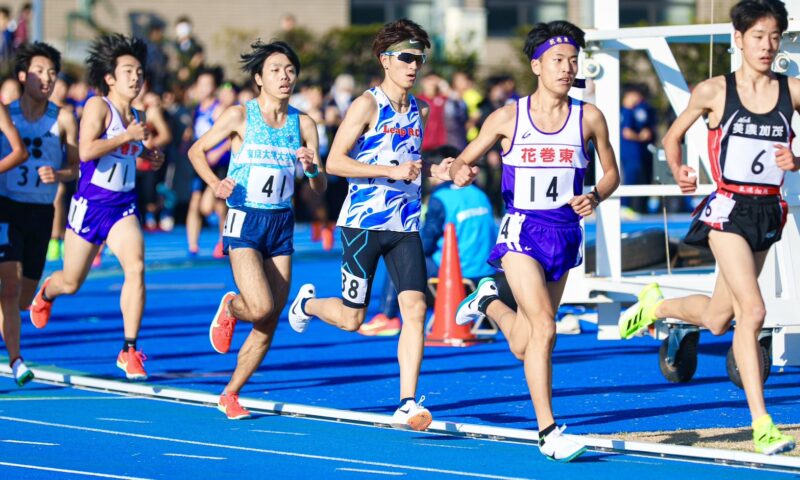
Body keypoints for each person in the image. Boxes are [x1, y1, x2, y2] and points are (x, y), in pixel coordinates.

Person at [618, 0, 797, 456]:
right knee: (752, 312)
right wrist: (679, 168)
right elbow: (671, 136)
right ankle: (762, 424)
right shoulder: (715, 90)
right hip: (728, 211)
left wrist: (796, 159)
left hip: (767, 212)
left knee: (720, 319)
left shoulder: (792, 90)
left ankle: (657, 306)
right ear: (739, 39)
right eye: (758, 36)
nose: (767, 45)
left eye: (774, 37)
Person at [450, 21, 619, 461]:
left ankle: (488, 301)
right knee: (545, 327)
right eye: (558, 60)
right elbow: (461, 162)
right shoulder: (508, 117)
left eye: (573, 61)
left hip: (565, 234)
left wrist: (595, 196)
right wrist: (460, 171)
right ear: (537, 66)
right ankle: (549, 432)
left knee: (525, 343)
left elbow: (612, 174)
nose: (567, 68)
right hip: (521, 231)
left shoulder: (589, 117)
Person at [287, 19, 451, 432]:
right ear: (385, 60)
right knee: (352, 320)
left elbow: (412, 162)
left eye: (419, 59)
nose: (414, 66)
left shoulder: (420, 109)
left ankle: (407, 403)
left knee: (415, 309)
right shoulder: (366, 105)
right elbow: (335, 162)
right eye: (407, 58)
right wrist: (389, 171)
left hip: (405, 224)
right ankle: (306, 305)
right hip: (362, 224)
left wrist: (439, 170)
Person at [189, 40, 325, 420]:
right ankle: (231, 306)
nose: (285, 77)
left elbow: (319, 186)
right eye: (276, 70)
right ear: (259, 79)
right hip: (245, 217)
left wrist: (312, 169)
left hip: (281, 222)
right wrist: (215, 184)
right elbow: (196, 151)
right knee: (260, 306)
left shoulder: (304, 124)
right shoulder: (240, 116)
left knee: (269, 318)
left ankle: (230, 393)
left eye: (290, 70)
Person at [28, 34, 164, 381]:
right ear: (110, 78)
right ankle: (47, 291)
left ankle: (129, 350)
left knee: (136, 267)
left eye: (139, 72)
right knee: (71, 282)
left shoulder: (138, 115)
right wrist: (127, 137)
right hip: (90, 207)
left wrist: (149, 156)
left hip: (122, 208)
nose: (136, 78)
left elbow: (126, 156)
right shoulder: (97, 107)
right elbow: (87, 151)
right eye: (128, 71)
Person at [186, 66, 229, 257]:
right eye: (201, 84)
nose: (204, 88)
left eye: (208, 84)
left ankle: (223, 239)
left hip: (218, 164)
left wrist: (217, 152)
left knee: (216, 205)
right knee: (194, 202)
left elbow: (231, 137)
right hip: (201, 163)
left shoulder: (218, 109)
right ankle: (192, 245)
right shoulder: (197, 109)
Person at [620, 83, 656, 215]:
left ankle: (641, 208)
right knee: (631, 176)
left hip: (643, 152)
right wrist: (640, 137)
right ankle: (625, 206)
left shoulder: (645, 108)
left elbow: (650, 128)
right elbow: (627, 132)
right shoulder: (626, 111)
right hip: (630, 152)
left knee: (645, 178)